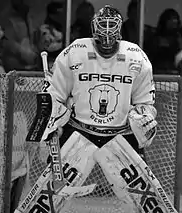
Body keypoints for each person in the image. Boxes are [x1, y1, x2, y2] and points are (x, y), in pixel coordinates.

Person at [36, 5, 157, 159]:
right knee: (57, 182)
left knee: (140, 184)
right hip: (78, 131)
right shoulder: (75, 51)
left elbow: (145, 102)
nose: (107, 33)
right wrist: (52, 122)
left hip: (122, 134)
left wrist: (143, 118)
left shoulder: (136, 56)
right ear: (94, 29)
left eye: (111, 27)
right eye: (103, 28)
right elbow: (54, 94)